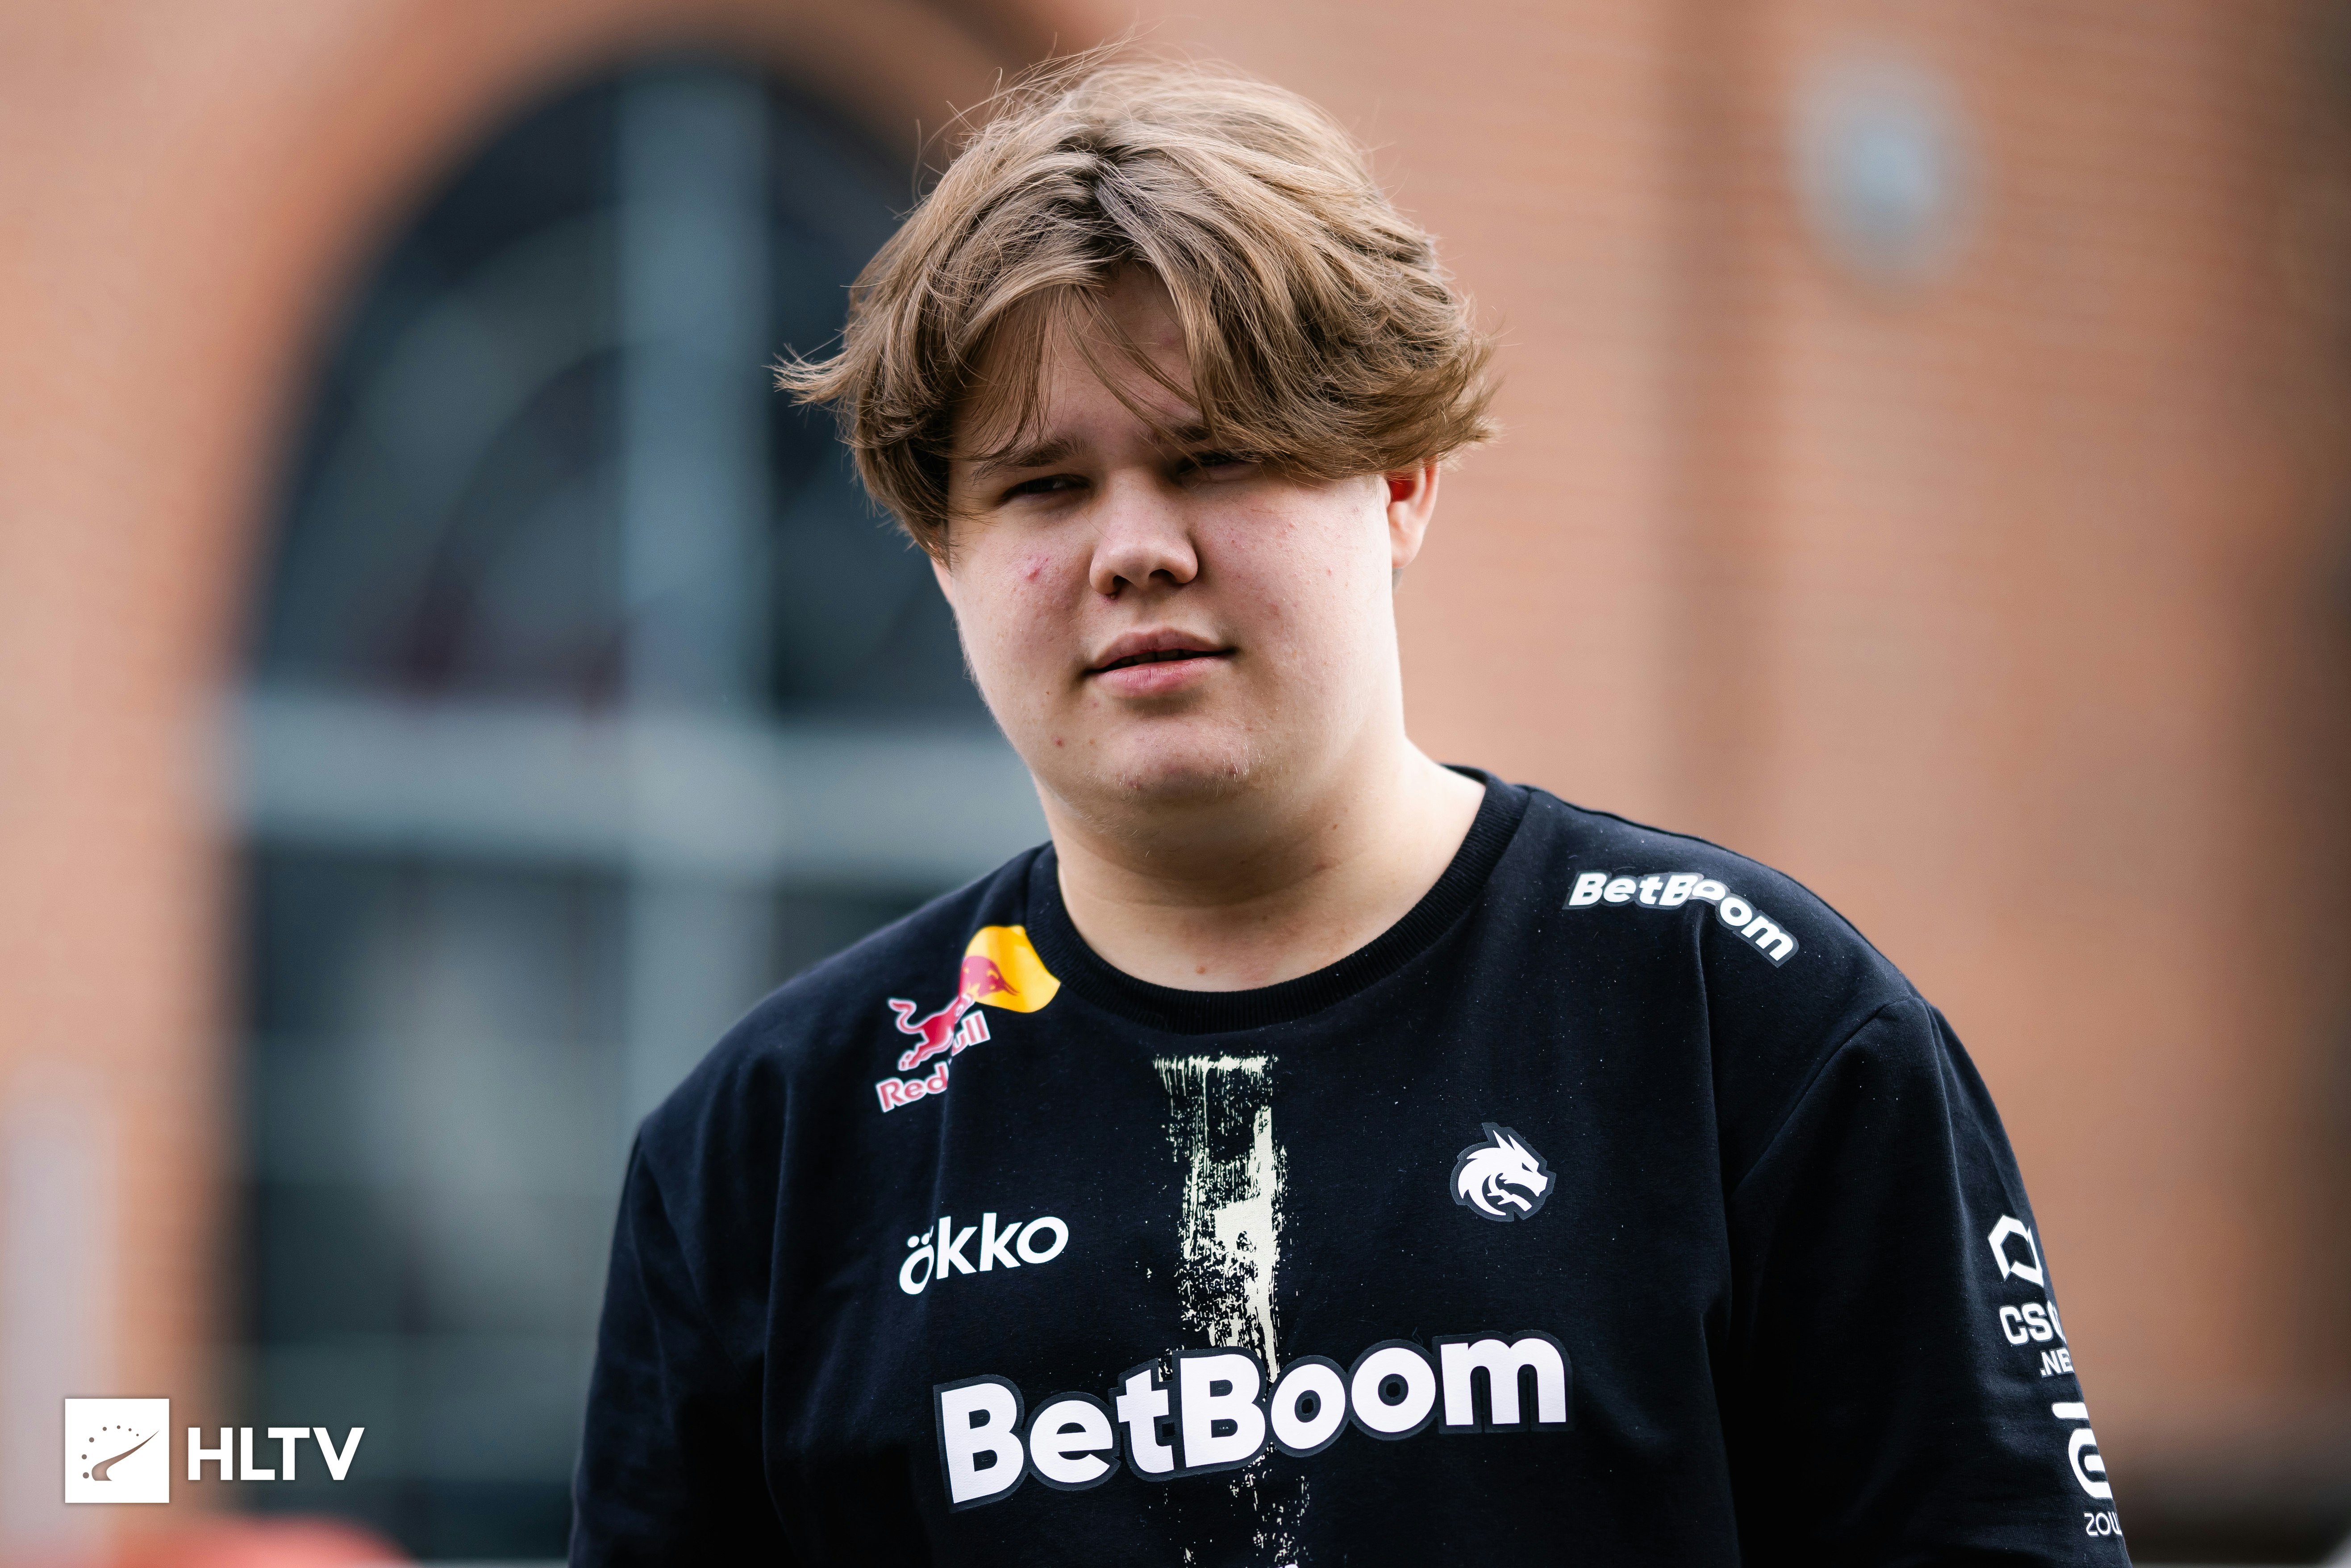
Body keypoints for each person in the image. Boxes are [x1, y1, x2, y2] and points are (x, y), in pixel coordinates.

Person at [571, 56, 2124, 1566]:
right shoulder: (770, 1144)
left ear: (1400, 482)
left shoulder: (1750, 1024)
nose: (1136, 549)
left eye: (1214, 457)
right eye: (1042, 486)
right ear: (943, 554)